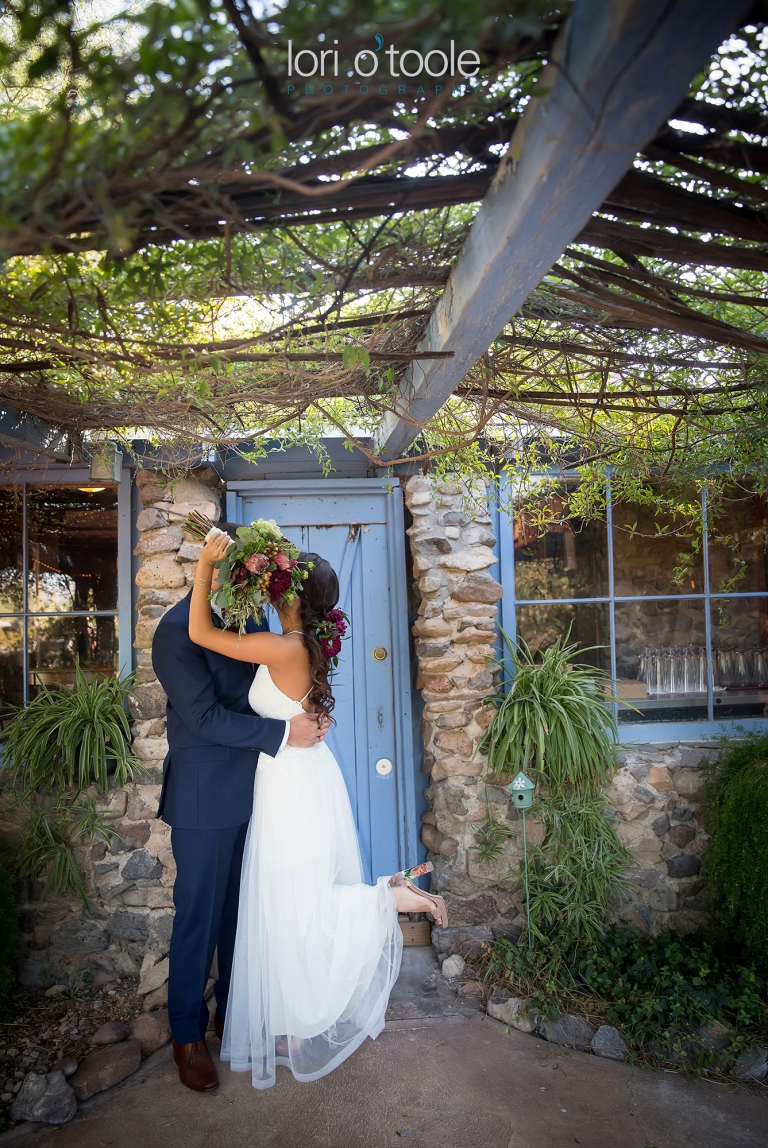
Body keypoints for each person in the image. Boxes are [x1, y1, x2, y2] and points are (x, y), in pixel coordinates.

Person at [187, 529, 448, 1089]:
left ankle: (390, 897)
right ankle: (300, 1026)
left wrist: (206, 565)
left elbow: (198, 631)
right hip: (300, 778)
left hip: (290, 787)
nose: (274, 591)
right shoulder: (302, 643)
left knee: (294, 900)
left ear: (293, 599)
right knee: (290, 904)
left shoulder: (285, 647)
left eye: (280, 586)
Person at [152, 524, 328, 1093]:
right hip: (204, 798)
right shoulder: (176, 631)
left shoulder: (251, 622)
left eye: (254, 571)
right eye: (242, 569)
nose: (250, 579)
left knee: (241, 914)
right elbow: (202, 717)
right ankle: (186, 1034)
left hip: (261, 790)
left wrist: (311, 709)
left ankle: (236, 1015)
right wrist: (285, 732)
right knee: (199, 918)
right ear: (218, 567)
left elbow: (283, 676)